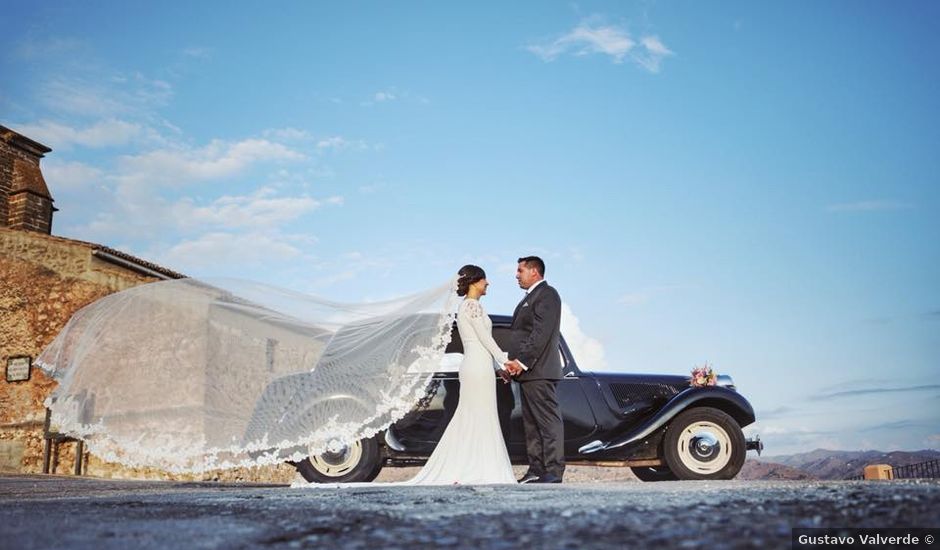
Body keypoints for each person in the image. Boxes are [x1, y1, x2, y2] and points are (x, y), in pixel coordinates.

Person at [404, 264, 517, 485]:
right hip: (477, 367)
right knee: (478, 414)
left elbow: (480, 342)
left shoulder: (469, 307)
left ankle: (467, 465)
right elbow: (484, 339)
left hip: (479, 365)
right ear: (475, 282)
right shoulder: (471, 306)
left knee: (476, 415)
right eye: (485, 279)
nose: (488, 283)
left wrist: (497, 368)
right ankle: (472, 467)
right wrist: (505, 360)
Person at [504, 256, 565, 484]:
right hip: (528, 373)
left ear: (535, 272)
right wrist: (511, 364)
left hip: (539, 370)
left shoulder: (547, 294)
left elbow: (541, 332)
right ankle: (536, 469)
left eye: (520, 270)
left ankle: (553, 471)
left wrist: (522, 362)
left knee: (547, 423)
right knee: (531, 425)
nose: (516, 275)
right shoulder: (529, 298)